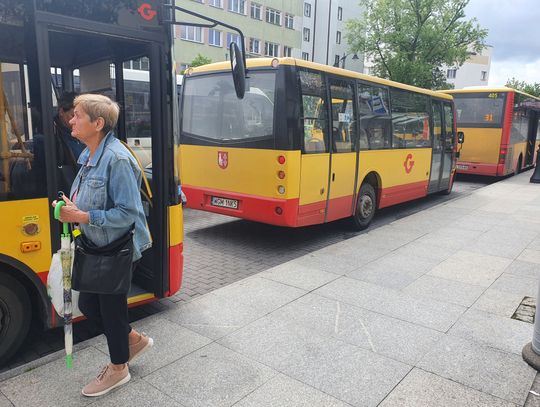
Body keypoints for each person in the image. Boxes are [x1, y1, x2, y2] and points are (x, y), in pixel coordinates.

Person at [52, 94, 153, 397]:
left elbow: (128, 213)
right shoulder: (88, 155)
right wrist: (73, 206)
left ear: (97, 123)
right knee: (90, 305)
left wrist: (80, 214)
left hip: (118, 249)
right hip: (99, 246)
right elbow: (94, 199)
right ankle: (133, 340)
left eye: (77, 115)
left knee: (110, 310)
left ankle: (118, 368)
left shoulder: (117, 159)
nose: (71, 119)